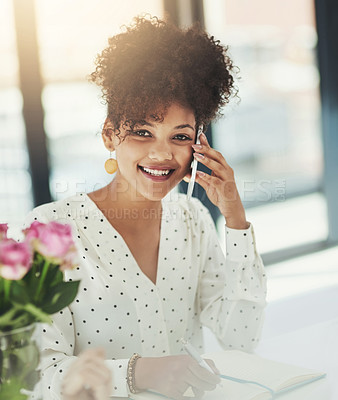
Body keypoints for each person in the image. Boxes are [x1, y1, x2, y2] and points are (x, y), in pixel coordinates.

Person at [25, 16, 267, 400]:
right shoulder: (48, 231)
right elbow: (35, 376)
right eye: (142, 132)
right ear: (109, 134)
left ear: (198, 146)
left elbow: (241, 336)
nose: (162, 153)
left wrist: (236, 222)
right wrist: (139, 374)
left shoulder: (193, 221)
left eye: (180, 136)